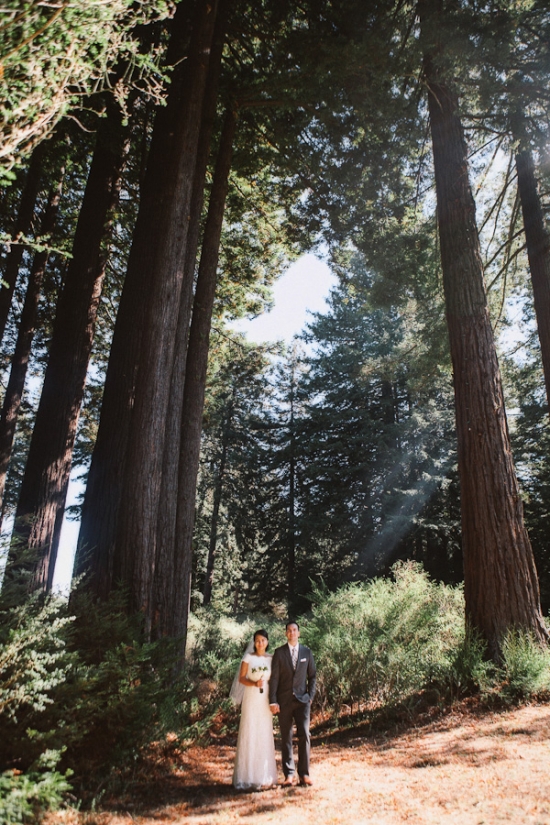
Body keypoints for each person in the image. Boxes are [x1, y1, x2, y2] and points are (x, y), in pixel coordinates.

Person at [269, 621, 316, 786]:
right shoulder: (279, 653)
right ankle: (289, 774)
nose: (292, 633)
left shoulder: (307, 652)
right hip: (284, 701)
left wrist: (310, 696)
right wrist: (273, 700)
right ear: (285, 634)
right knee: (286, 737)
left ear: (299, 633)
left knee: (304, 735)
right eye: (289, 630)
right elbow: (274, 678)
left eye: (294, 630)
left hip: (303, 701)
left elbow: (313, 676)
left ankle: (304, 774)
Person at [231, 629, 278, 790]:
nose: (260, 643)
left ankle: (264, 776)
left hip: (265, 699)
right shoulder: (248, 658)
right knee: (251, 731)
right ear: (254, 642)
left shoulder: (271, 658)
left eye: (263, 640)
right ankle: (247, 775)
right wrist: (254, 683)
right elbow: (241, 678)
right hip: (252, 698)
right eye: (257, 640)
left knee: (264, 732)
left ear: (267, 642)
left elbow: (275, 680)